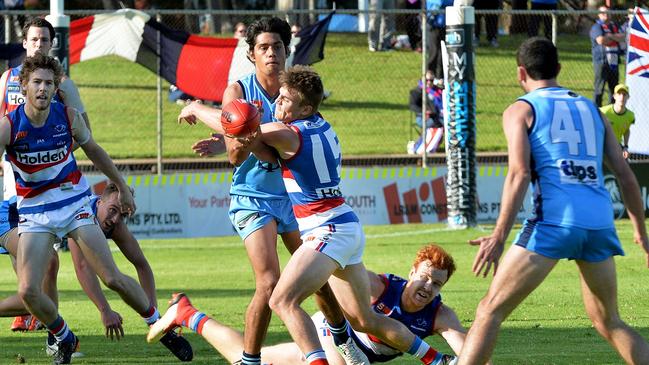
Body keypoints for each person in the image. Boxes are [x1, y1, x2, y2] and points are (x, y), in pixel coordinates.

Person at [214, 65, 456, 365]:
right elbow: (254, 141)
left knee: (281, 300)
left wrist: (195, 107)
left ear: (305, 107)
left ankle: (319, 362)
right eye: (279, 97)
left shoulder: (289, 134)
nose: (277, 103)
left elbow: (242, 126)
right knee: (364, 319)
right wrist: (243, 136)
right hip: (346, 227)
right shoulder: (322, 125)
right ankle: (438, 361)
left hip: (327, 231)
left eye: (285, 100)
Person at [458, 37, 649, 365]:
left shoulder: (521, 109)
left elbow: (518, 174)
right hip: (600, 223)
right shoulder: (593, 110)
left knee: (489, 310)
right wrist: (642, 236)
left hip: (554, 223)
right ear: (559, 69)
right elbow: (626, 176)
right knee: (609, 321)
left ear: (521, 73)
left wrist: (499, 237)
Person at [177, 18, 356, 365]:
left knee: (319, 283)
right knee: (270, 281)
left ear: (287, 51)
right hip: (253, 197)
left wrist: (237, 126)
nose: (271, 53)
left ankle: (344, 341)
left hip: (295, 200)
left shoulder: (296, 92)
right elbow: (234, 155)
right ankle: (250, 359)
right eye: (263, 47)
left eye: (277, 46)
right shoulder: (238, 92)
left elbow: (290, 144)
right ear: (251, 54)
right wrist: (236, 134)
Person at [0, 53, 160, 365]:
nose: (44, 88)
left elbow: (95, 150)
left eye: (49, 83)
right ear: (24, 86)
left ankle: (159, 324)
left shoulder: (68, 116)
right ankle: (63, 335)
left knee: (112, 277)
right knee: (29, 291)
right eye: (37, 82)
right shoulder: (8, 126)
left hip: (74, 205)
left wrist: (123, 187)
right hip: (34, 212)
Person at [149, 244, 471, 364]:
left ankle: (187, 314)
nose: (428, 287)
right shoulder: (380, 285)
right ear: (412, 271)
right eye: (425, 277)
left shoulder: (440, 315)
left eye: (437, 283)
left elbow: (468, 355)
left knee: (246, 360)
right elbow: (332, 276)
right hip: (331, 334)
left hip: (356, 355)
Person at [0, 185, 193, 361]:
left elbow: (142, 265)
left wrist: (156, 319)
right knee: (40, 281)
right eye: (113, 210)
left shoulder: (113, 224)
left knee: (41, 293)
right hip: (14, 216)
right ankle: (57, 338)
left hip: (36, 221)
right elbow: (83, 267)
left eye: (122, 215)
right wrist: (105, 310)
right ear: (99, 202)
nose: (116, 219)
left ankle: (57, 339)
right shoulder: (82, 214)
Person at [0, 16, 90, 331]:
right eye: (34, 40)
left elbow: (84, 134)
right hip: (13, 191)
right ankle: (39, 318)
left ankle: (50, 328)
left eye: (45, 41)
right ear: (24, 43)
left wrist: (48, 160)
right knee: (31, 267)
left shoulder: (62, 85)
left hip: (54, 192)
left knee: (49, 264)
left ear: (53, 45)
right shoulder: (6, 79)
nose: (39, 45)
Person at [590, 5, 625, 107]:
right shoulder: (596, 27)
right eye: (603, 13)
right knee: (599, 89)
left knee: (614, 89)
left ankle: (611, 111)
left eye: (608, 12)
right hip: (601, 61)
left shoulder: (614, 26)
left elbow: (623, 37)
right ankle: (597, 111)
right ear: (599, 15)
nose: (606, 15)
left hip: (614, 61)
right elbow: (601, 40)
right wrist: (614, 38)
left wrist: (609, 36)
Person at [600, 84, 634, 160]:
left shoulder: (630, 116)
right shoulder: (603, 112)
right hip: (602, 145)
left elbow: (626, 131)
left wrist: (625, 147)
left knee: (624, 167)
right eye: (619, 94)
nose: (622, 97)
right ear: (614, 96)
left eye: (624, 94)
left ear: (628, 97)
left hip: (617, 146)